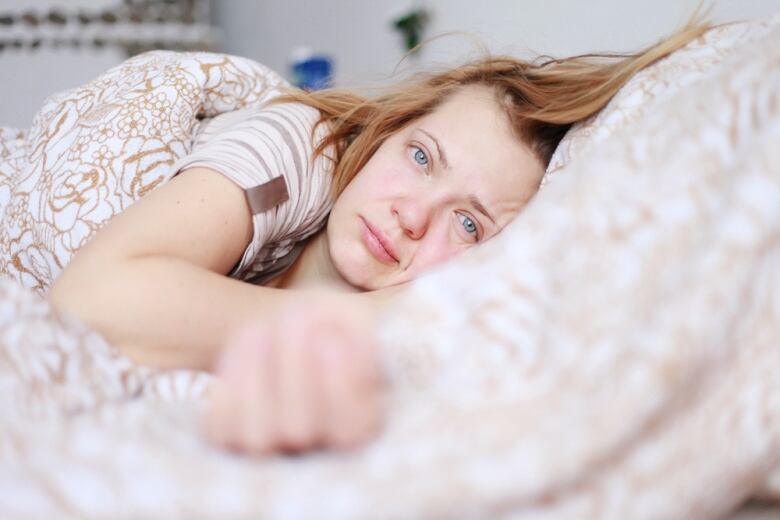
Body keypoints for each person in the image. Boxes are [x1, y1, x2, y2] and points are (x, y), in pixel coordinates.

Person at [46, 21, 708, 456]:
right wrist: (359, 316)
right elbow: (89, 304)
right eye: (422, 157)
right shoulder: (300, 150)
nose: (413, 215)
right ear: (389, 130)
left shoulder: (440, 346)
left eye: (469, 223)